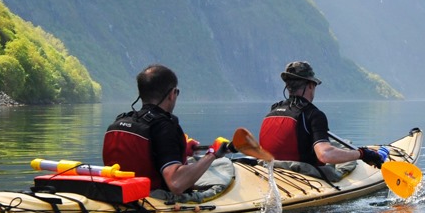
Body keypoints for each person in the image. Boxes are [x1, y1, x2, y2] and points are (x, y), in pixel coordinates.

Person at [103, 64, 229, 196]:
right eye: (177, 93)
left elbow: (145, 153)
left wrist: (181, 149)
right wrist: (212, 154)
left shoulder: (118, 123)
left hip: (120, 195)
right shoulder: (165, 127)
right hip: (156, 201)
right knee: (224, 164)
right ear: (172, 94)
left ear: (141, 94)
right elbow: (176, 183)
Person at [259, 61, 387, 181]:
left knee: (335, 144)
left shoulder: (273, 110)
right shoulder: (314, 115)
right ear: (310, 85)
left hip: (274, 167)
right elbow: (325, 155)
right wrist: (361, 154)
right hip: (304, 173)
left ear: (288, 87)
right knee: (341, 152)